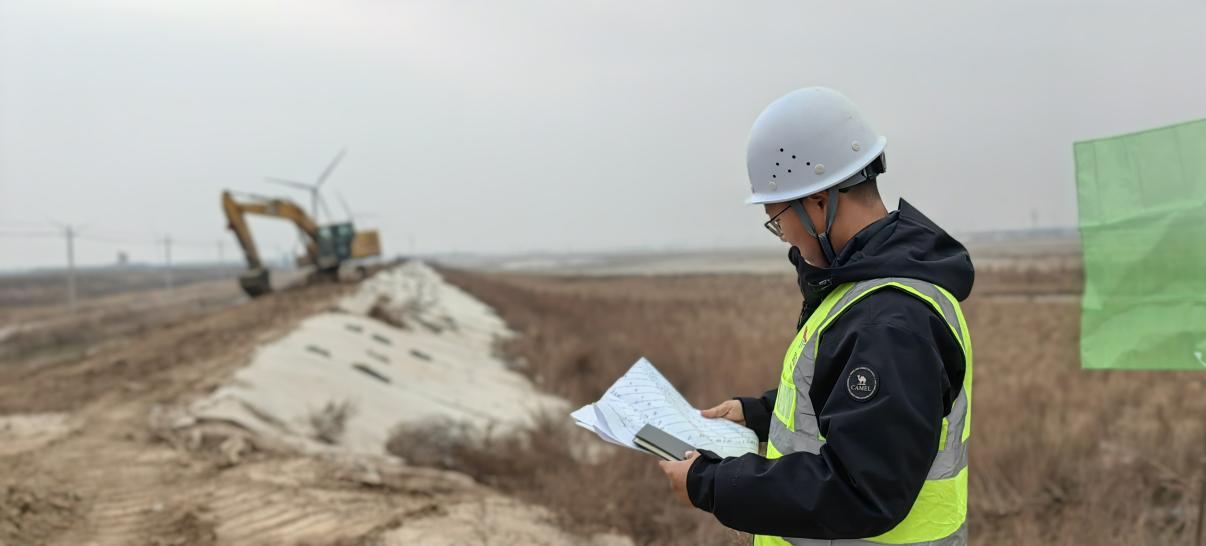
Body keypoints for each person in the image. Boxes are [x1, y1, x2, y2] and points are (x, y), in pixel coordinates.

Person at [657, 87, 975, 545]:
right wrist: (759, 414)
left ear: (820, 202)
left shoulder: (889, 321)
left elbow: (860, 491)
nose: (785, 237)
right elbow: (857, 408)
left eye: (778, 220)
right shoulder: (866, 289)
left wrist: (710, 483)